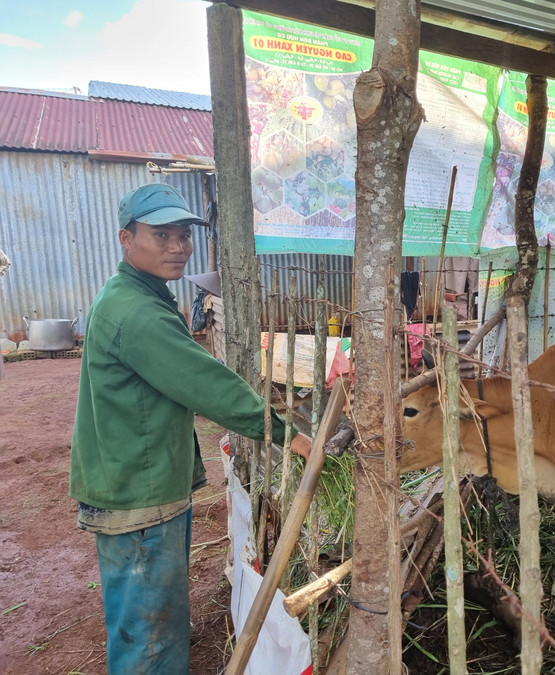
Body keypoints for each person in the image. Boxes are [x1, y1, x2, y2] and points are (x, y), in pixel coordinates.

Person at [69, 183, 307, 675]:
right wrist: (286, 433)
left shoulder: (136, 296)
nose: (177, 246)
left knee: (146, 622)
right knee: (150, 637)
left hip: (133, 482)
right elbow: (207, 385)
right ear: (125, 238)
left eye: (183, 235)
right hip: (138, 494)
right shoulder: (137, 313)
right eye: (162, 235)